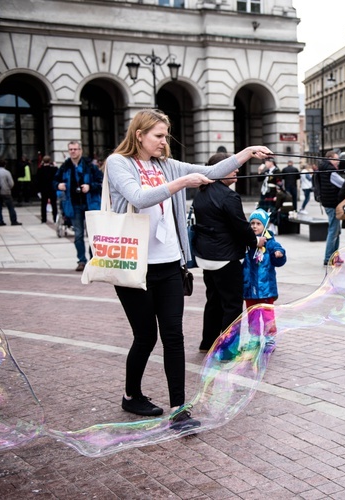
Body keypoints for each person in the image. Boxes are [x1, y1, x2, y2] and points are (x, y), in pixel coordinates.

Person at [106, 108, 271, 431]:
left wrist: (246, 153)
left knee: (173, 336)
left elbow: (212, 169)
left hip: (169, 263)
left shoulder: (166, 165)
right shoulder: (119, 163)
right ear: (139, 135)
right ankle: (131, 395)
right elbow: (138, 197)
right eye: (158, 136)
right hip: (134, 265)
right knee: (144, 336)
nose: (163, 141)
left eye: (165, 135)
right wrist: (182, 182)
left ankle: (179, 408)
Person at [192, 152, 266, 353]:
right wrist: (256, 241)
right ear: (219, 170)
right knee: (232, 305)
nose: (237, 169)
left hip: (206, 257)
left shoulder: (202, 192)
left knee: (214, 301)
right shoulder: (228, 196)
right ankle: (228, 349)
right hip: (225, 258)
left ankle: (207, 343)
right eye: (232, 166)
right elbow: (241, 227)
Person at [54, 141, 103, 271]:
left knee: (93, 235)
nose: (73, 151)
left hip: (90, 204)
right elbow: (54, 181)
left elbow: (101, 182)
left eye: (75, 149)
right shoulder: (65, 166)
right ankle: (81, 260)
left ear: (80, 150)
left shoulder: (90, 166)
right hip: (74, 205)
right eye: (71, 149)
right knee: (78, 234)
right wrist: (58, 185)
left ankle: (94, 260)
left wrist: (90, 186)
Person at [243, 209, 287, 352]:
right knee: (252, 316)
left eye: (258, 224)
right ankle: (254, 340)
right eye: (252, 223)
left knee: (268, 316)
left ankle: (270, 340)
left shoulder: (270, 243)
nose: (254, 226)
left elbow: (278, 256)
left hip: (266, 289)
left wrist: (279, 254)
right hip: (249, 288)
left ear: (265, 226)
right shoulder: (248, 243)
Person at [313, 150, 344, 266]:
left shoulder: (323, 168)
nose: (338, 162)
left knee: (336, 231)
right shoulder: (330, 170)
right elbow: (342, 183)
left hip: (327, 202)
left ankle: (335, 256)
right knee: (333, 231)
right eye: (336, 159)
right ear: (330, 158)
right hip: (332, 204)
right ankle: (328, 258)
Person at [0, 159, 21, 226]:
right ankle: (13, 221)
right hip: (6, 192)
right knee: (11, 207)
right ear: (5, 165)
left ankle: (0, 221)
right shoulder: (6, 172)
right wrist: (8, 188)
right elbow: (11, 183)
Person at [37, 155, 59, 223]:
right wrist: (56, 166)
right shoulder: (53, 169)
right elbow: (58, 176)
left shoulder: (40, 169)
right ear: (50, 161)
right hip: (52, 189)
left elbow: (38, 180)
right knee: (54, 204)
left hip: (44, 189)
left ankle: (44, 219)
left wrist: (38, 190)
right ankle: (55, 218)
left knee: (43, 204)